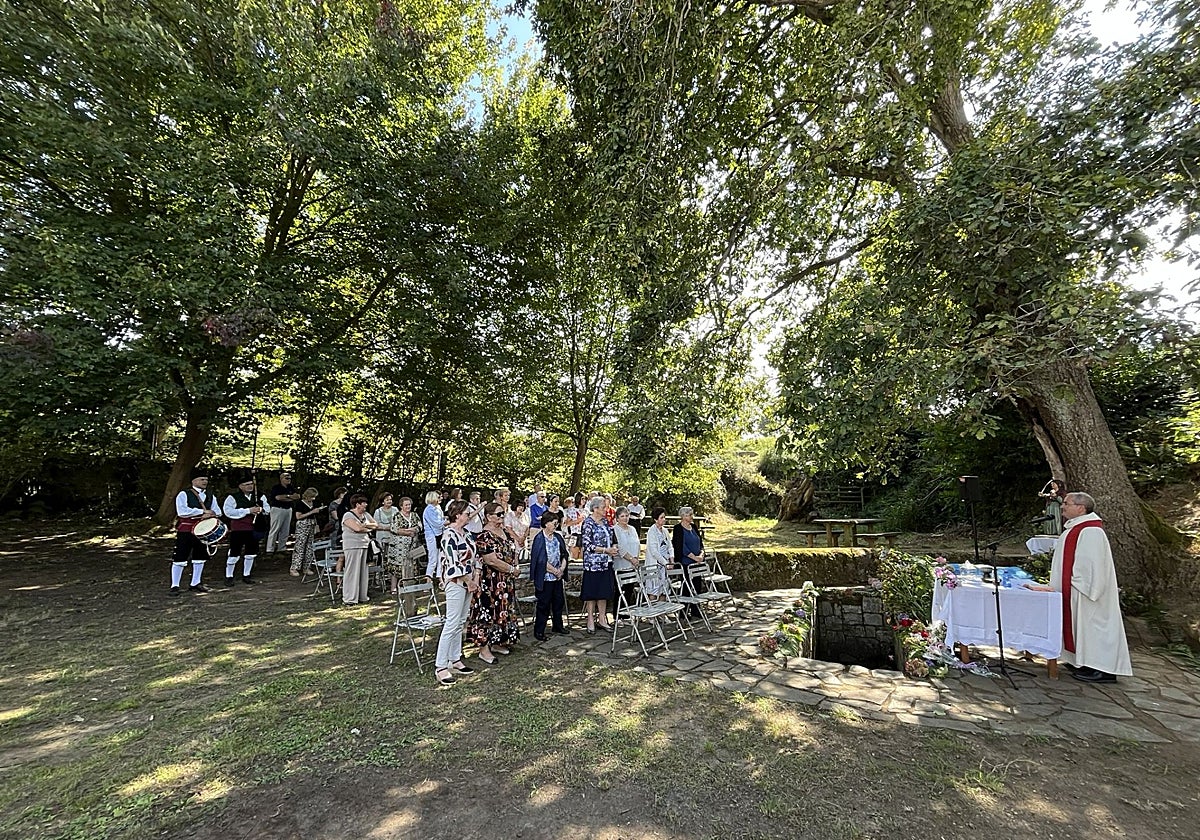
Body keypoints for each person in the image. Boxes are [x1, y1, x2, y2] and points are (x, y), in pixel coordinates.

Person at [1035, 492, 1133, 683]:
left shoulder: (1091, 531)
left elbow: (1092, 565)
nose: (1062, 506)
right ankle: (1083, 661)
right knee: (1081, 628)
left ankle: (1103, 669)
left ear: (1081, 508)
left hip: (1087, 591)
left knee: (1094, 627)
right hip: (1075, 589)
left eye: (1067, 503)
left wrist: (1082, 584)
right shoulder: (1077, 528)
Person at [466, 502, 521, 664]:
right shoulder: (483, 536)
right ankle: (484, 650)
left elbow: (513, 550)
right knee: (488, 612)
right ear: (489, 517)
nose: (502, 517)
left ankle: (498, 642)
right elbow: (491, 560)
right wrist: (511, 569)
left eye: (503, 513)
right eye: (498, 514)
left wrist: (515, 566)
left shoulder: (505, 532)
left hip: (506, 581)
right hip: (490, 582)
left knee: (503, 611)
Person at [433, 499, 479, 686]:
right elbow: (453, 564)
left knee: (461, 622)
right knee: (451, 623)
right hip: (455, 583)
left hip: (469, 582)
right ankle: (440, 666)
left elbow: (475, 558)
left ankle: (455, 659)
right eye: (467, 513)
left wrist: (475, 579)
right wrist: (468, 581)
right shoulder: (448, 535)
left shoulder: (466, 534)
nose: (470, 516)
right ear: (458, 515)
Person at [169, 467, 221, 596]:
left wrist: (211, 514)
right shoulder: (184, 494)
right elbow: (182, 511)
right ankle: (175, 585)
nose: (205, 482)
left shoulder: (210, 495)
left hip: (203, 530)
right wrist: (202, 512)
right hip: (186, 530)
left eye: (206, 479)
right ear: (194, 481)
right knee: (180, 556)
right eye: (202, 479)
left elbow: (218, 511)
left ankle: (196, 583)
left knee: (200, 556)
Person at [529, 512, 570, 640]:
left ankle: (558, 626)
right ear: (546, 523)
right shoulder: (539, 539)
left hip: (557, 577)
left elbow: (564, 554)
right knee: (544, 604)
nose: (556, 526)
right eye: (554, 523)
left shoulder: (558, 537)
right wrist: (554, 571)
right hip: (545, 577)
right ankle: (539, 631)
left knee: (558, 602)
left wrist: (561, 569)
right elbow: (540, 560)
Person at [580, 496, 617, 633]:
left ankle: (602, 618)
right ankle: (590, 619)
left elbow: (611, 537)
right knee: (592, 593)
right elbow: (587, 545)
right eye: (603, 507)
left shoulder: (605, 522)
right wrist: (605, 550)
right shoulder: (588, 523)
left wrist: (614, 547)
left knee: (603, 592)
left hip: (606, 563)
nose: (606, 509)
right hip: (593, 564)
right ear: (595, 508)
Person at [222, 477, 265, 587]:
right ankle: (229, 576)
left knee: (251, 552)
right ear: (240, 486)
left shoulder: (259, 496)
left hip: (254, 528)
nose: (250, 486)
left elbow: (267, 509)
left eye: (251, 484)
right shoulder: (232, 497)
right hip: (238, 529)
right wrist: (248, 511)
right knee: (234, 552)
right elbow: (228, 512)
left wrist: (260, 509)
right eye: (247, 484)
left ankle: (247, 575)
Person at [340, 494, 380, 606]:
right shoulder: (348, 515)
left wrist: (365, 526)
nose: (366, 505)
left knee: (363, 571)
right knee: (352, 571)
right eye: (364, 503)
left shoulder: (366, 514)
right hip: (352, 546)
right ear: (357, 504)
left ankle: (362, 596)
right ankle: (349, 598)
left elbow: (375, 525)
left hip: (364, 545)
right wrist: (367, 528)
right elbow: (357, 528)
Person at [385, 496, 422, 598]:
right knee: (396, 566)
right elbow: (394, 529)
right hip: (398, 547)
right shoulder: (397, 516)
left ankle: (409, 586)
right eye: (406, 505)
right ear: (401, 506)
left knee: (411, 565)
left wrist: (413, 530)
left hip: (412, 545)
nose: (408, 506)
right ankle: (394, 587)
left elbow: (419, 526)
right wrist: (408, 532)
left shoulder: (414, 515)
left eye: (409, 504)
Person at [673, 506, 706, 617]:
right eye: (689, 515)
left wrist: (701, 555)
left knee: (697, 586)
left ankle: (696, 609)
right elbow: (681, 546)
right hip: (686, 563)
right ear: (683, 516)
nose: (692, 517)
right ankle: (684, 611)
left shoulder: (694, 527)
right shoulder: (678, 529)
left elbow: (700, 542)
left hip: (697, 563)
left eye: (692, 514)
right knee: (686, 587)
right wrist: (694, 557)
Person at [289, 488, 325, 577]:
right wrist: (312, 512)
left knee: (310, 547)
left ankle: (307, 567)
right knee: (300, 546)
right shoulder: (300, 504)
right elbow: (298, 516)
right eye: (312, 497)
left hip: (312, 525)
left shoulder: (313, 503)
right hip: (302, 525)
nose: (313, 499)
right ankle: (294, 568)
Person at [612, 505, 642, 608]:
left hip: (632, 565)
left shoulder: (632, 529)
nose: (625, 518)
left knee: (629, 591)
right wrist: (631, 559)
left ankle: (627, 613)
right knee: (620, 592)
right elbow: (619, 547)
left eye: (627, 515)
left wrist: (636, 558)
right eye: (622, 516)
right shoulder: (615, 529)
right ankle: (618, 614)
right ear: (617, 518)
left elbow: (637, 544)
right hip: (621, 565)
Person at [642, 507, 673, 601]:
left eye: (664, 517)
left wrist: (671, 559)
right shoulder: (652, 531)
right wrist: (665, 563)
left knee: (664, 590)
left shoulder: (665, 531)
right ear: (656, 519)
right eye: (661, 517)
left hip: (665, 565)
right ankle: (653, 609)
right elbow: (654, 551)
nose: (664, 519)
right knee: (654, 591)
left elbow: (670, 546)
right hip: (655, 564)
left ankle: (662, 609)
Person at [266, 472, 300, 553]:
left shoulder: (290, 487)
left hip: (288, 509)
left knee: (285, 530)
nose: (289, 480)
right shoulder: (276, 488)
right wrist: (290, 497)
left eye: (290, 478)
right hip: (278, 509)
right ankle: (270, 549)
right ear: (281, 479)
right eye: (287, 478)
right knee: (275, 529)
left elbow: (297, 496)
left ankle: (282, 548)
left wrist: (287, 497)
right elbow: (278, 498)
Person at [422, 489, 445, 579]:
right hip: (432, 536)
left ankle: (439, 577)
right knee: (433, 559)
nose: (440, 498)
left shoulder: (438, 508)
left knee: (440, 558)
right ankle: (428, 578)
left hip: (439, 535)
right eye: (438, 497)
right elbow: (437, 524)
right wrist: (446, 522)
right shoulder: (429, 509)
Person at [563, 494, 584, 560]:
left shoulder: (586, 510)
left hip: (584, 534)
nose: (584, 500)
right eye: (582, 499)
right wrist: (577, 521)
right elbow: (567, 523)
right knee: (574, 556)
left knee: (583, 556)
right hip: (575, 534)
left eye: (585, 499)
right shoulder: (572, 510)